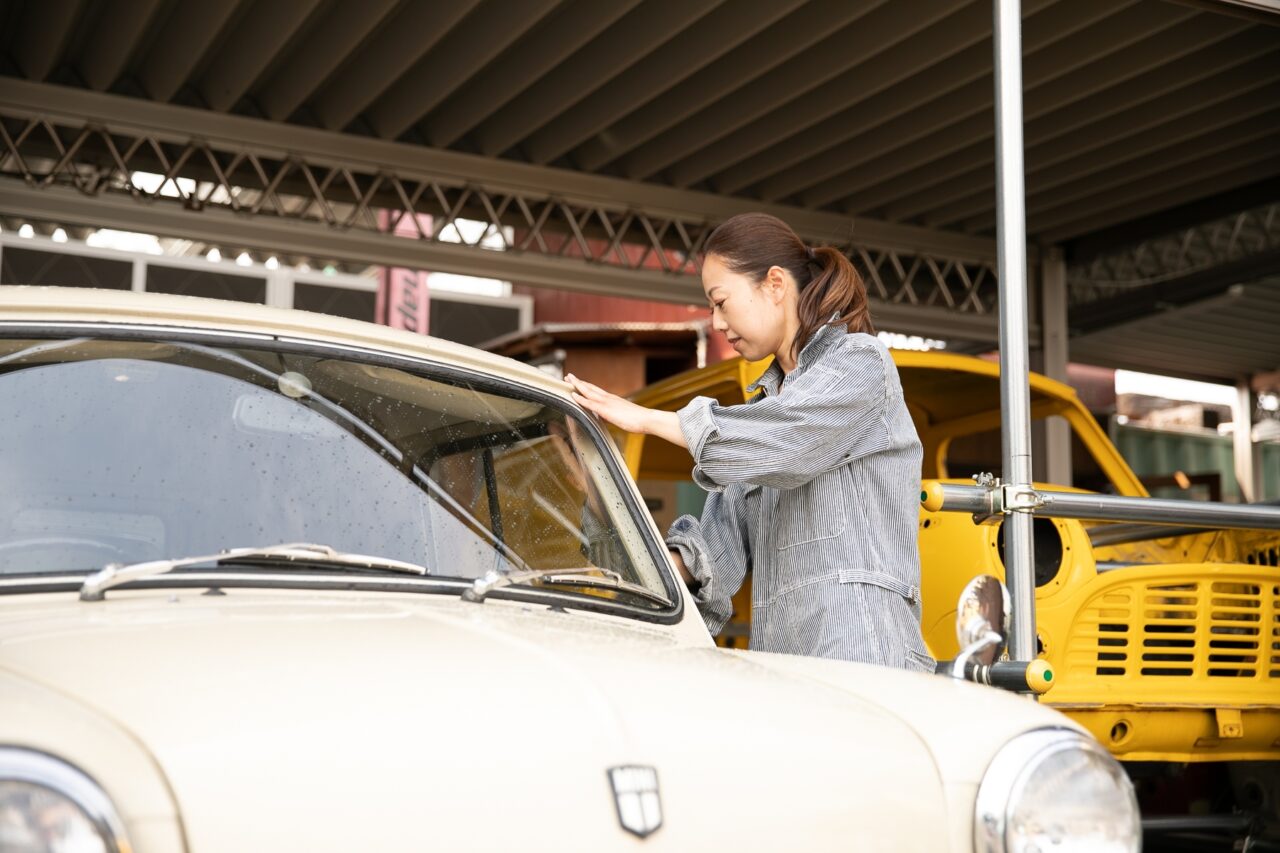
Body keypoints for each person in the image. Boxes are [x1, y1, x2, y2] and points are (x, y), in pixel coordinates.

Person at [567, 212, 934, 672]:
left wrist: (648, 420)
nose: (716, 323)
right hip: (787, 671)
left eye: (721, 302)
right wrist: (607, 503)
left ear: (775, 284)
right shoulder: (759, 417)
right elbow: (710, 565)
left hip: (866, 660)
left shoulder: (859, 365)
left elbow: (787, 440)